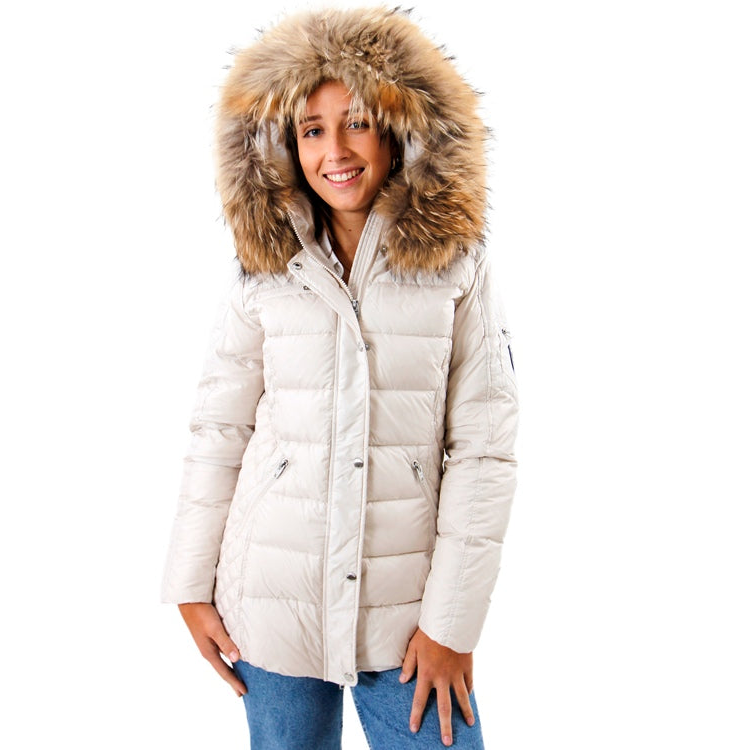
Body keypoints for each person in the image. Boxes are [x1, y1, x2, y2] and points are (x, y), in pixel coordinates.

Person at [162, 7, 519, 748]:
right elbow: (220, 427)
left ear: (397, 129)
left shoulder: (456, 265)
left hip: (407, 613)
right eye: (312, 130)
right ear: (286, 146)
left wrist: (451, 625)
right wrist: (190, 583)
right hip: (272, 601)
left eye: (357, 123)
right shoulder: (266, 269)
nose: (336, 151)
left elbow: (485, 449)